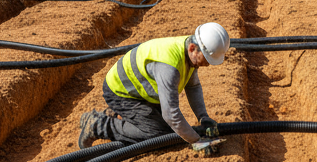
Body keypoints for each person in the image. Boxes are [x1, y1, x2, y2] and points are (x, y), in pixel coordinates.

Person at [78, 22, 230, 151]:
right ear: (192, 48)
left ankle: (117, 114)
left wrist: (203, 117)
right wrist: (196, 141)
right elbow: (171, 114)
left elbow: (193, 86)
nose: (208, 64)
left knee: (170, 130)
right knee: (157, 133)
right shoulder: (169, 67)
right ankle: (98, 125)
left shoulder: (188, 51)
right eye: (207, 58)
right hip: (120, 92)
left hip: (138, 91)